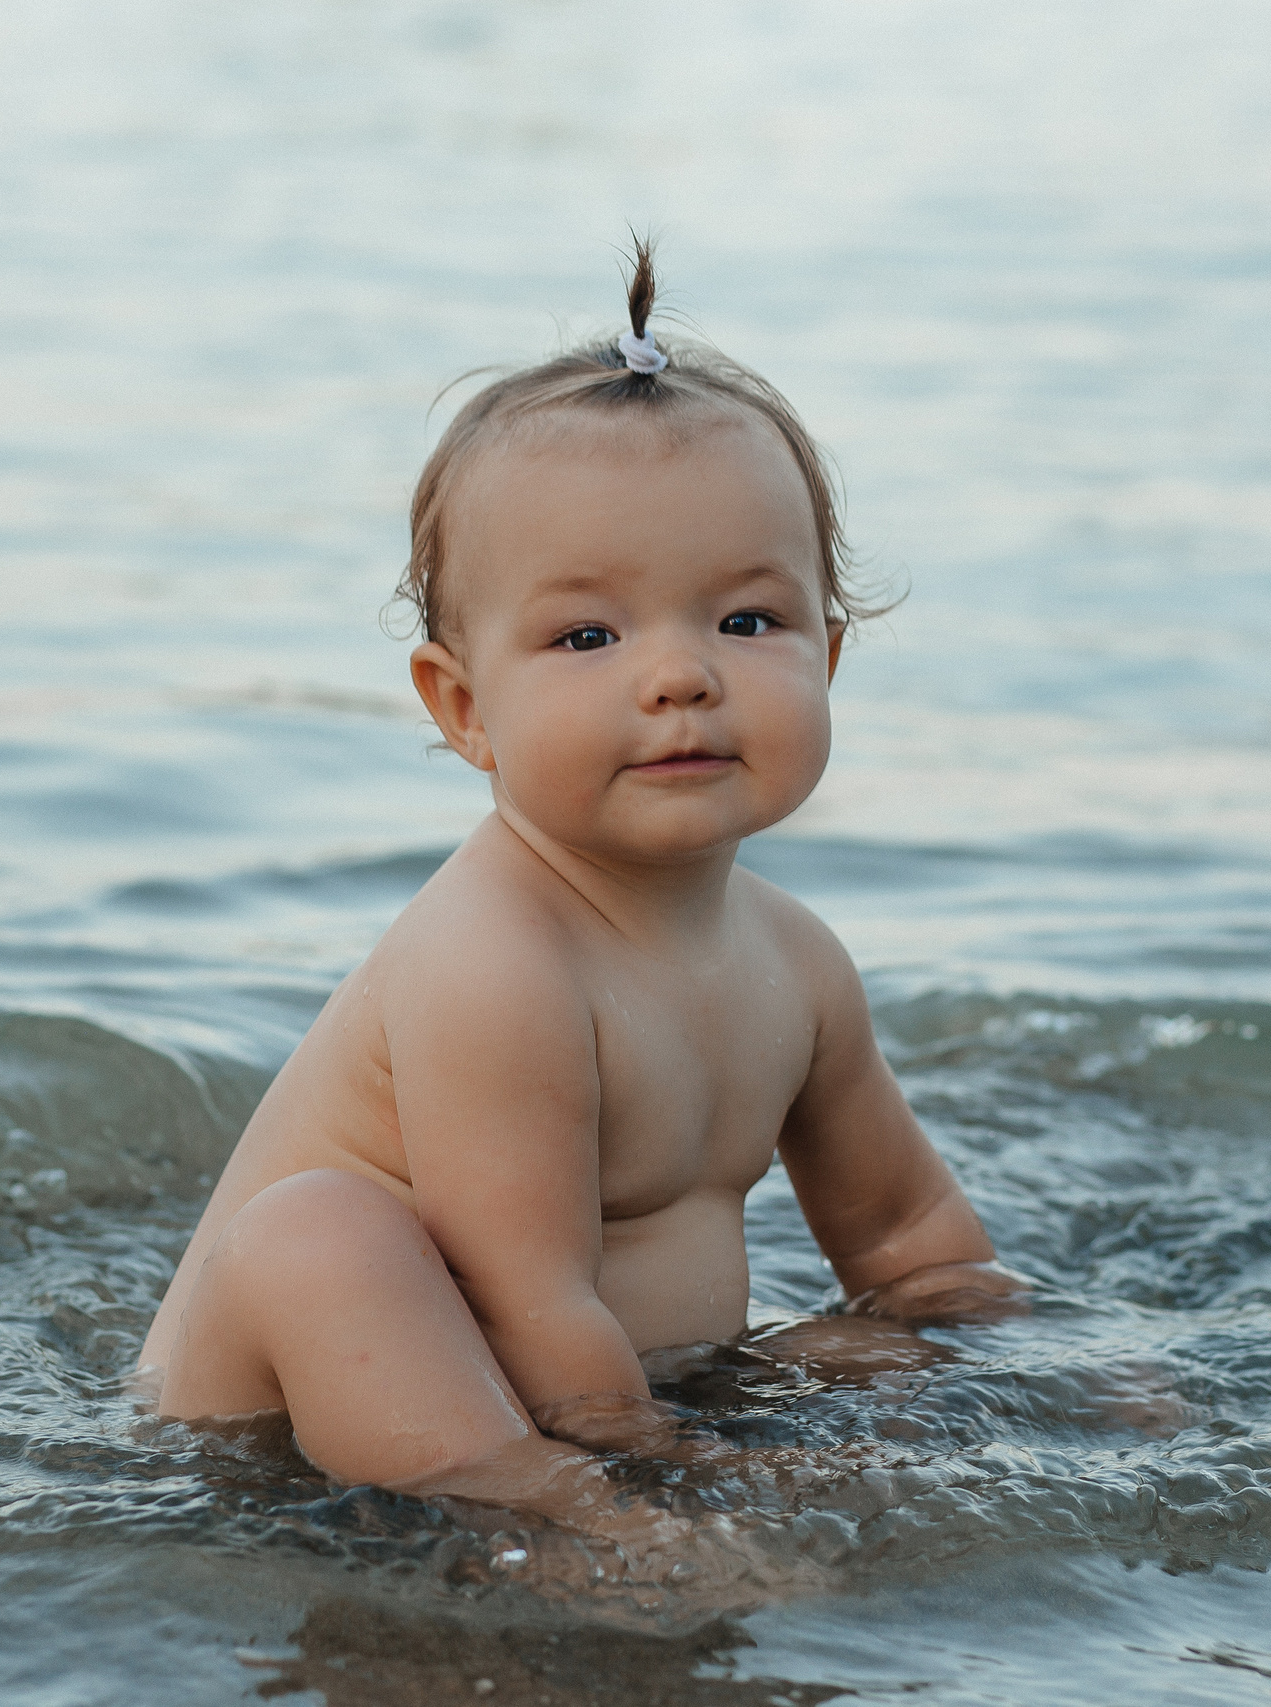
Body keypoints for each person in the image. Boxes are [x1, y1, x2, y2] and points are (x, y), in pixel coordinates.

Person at [136, 241, 1022, 1543]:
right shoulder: (494, 964)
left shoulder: (798, 964)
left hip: (620, 1392)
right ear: (463, 707)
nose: (680, 677)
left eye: (746, 621)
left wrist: (1040, 1371)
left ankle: (613, 1504)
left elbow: (908, 1234)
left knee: (868, 1352)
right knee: (316, 1234)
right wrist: (664, 1496)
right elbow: (531, 1306)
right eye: (589, 636)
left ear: (829, 658)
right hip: (298, 1434)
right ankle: (578, 1533)